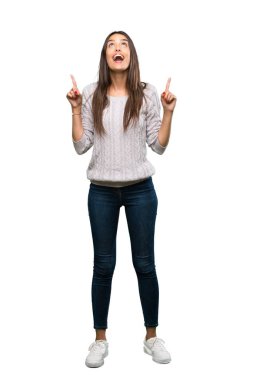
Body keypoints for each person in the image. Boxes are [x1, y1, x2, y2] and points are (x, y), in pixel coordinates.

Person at [66, 30, 177, 368]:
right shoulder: (90, 94)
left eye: (124, 44)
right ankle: (100, 339)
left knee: (145, 264)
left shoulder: (146, 94)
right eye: (111, 45)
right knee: (103, 265)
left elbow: (158, 146)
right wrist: (73, 108)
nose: (118, 48)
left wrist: (169, 111)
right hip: (101, 191)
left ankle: (151, 336)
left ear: (131, 55)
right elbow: (81, 145)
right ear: (105, 56)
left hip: (140, 190)